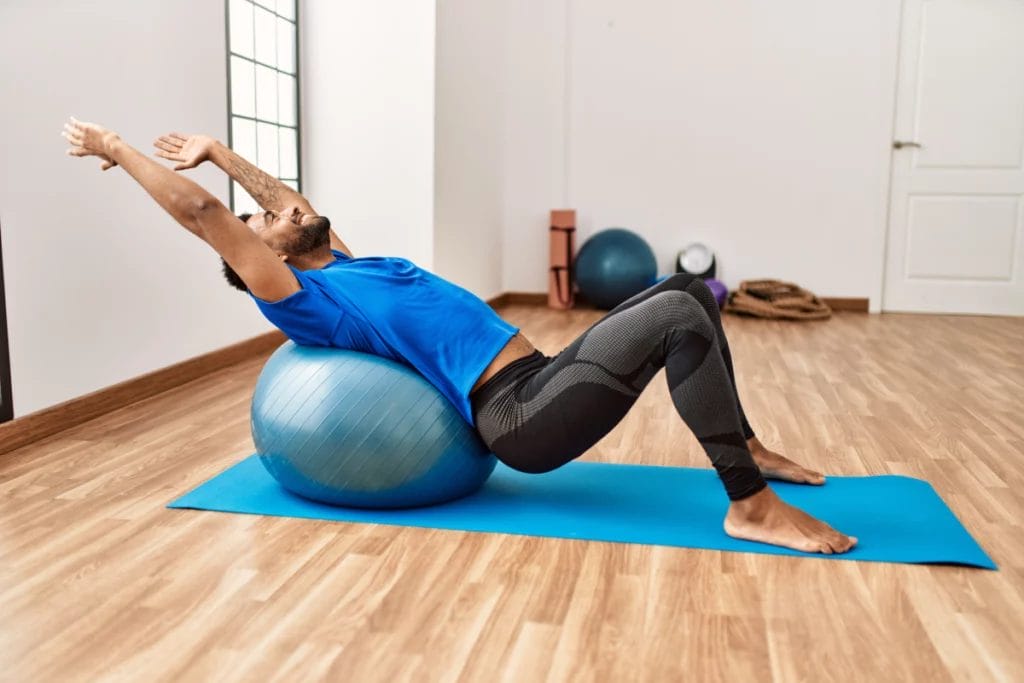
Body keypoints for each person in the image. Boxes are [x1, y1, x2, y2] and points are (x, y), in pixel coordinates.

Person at [63, 117, 856, 555]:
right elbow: (206, 215)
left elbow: (288, 200)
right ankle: (748, 505)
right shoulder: (308, 299)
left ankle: (747, 446)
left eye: (274, 210)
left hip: (542, 374)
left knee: (684, 290)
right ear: (264, 261)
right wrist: (117, 148)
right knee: (679, 313)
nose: (278, 210)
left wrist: (220, 151)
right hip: (518, 415)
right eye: (262, 222)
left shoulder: (346, 262)